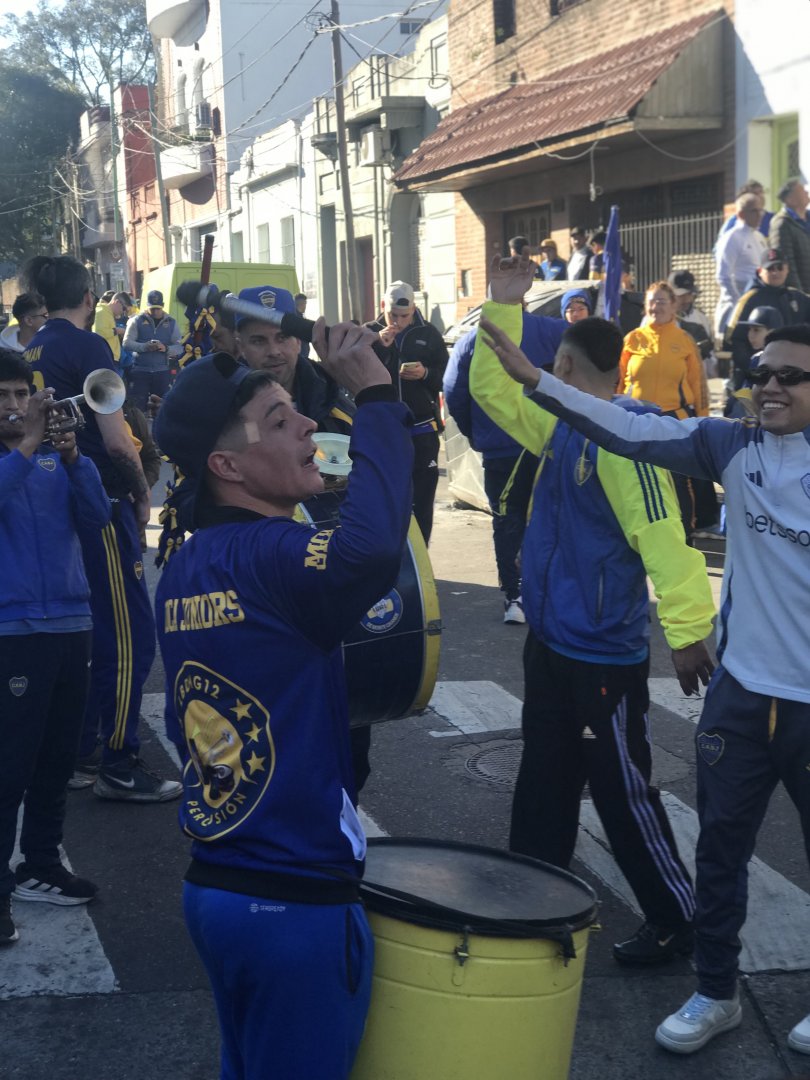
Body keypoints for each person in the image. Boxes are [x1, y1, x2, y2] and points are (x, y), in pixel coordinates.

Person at [478, 273, 810, 1059]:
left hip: (786, 699)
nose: (768, 386)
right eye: (759, 372)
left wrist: (686, 627)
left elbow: (661, 534)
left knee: (641, 800)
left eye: (789, 377)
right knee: (718, 851)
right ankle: (715, 991)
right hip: (739, 696)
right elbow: (626, 430)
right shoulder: (730, 444)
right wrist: (534, 372)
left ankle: (698, 947)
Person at [152, 320, 413, 1080]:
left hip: (218, 891)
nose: (305, 425)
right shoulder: (274, 556)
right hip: (292, 904)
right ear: (226, 465)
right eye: (277, 420)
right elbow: (370, 549)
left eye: (298, 409)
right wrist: (377, 399)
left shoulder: (186, 565)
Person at [469, 255, 715, 967]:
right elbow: (492, 390)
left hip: (603, 654)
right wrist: (503, 306)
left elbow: (665, 538)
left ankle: (676, 918)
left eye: (554, 367)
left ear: (568, 369)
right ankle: (531, 894)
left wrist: (688, 631)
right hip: (551, 641)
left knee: (621, 790)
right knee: (544, 774)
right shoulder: (561, 424)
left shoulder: (627, 438)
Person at [21, 255, 180, 803]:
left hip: (54, 499)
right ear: (89, 298)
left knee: (90, 632)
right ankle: (119, 762)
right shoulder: (89, 346)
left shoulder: (31, 347)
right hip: (98, 498)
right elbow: (116, 439)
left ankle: (83, 748)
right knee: (130, 636)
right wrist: (141, 494)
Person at [0, 349, 110, 944]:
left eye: (22, 394)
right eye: (3, 397)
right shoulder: (19, 457)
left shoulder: (50, 456)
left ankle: (40, 864)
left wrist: (73, 457)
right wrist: (26, 447)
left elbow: (96, 518)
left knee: (56, 760)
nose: (16, 405)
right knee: (8, 767)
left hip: (71, 622)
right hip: (12, 631)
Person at [443, 304, 565, 625]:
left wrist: (474, 432)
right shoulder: (555, 330)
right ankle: (552, 592)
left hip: (502, 446)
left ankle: (516, 596)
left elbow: (453, 391)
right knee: (553, 515)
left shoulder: (472, 340)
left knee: (508, 520)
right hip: (551, 441)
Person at [619, 280, 709, 536]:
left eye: (661, 301)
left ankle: (685, 537)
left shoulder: (685, 340)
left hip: (673, 419)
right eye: (651, 301)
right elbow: (618, 382)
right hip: (635, 418)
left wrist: (703, 421)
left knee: (677, 481)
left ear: (673, 306)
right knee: (637, 480)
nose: (655, 306)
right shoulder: (633, 339)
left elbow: (699, 385)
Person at [366, 280, 448, 544]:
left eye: (405, 315)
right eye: (393, 315)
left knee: (422, 501)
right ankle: (389, 556)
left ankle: (420, 557)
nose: (399, 322)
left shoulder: (429, 333)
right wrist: (379, 346)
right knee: (386, 499)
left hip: (422, 429)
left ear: (414, 309)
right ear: (383, 306)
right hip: (383, 431)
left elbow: (447, 378)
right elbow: (352, 375)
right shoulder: (368, 333)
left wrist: (426, 374)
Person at [725, 247, 810, 388]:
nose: (775, 272)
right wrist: (755, 370)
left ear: (787, 269)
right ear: (760, 271)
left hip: (794, 377)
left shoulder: (799, 298)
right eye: (770, 268)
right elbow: (734, 339)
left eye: (779, 267)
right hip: (757, 378)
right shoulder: (749, 299)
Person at [714, 193, 768, 335]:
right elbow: (723, 276)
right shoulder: (731, 238)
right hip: (734, 308)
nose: (760, 215)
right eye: (754, 211)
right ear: (741, 214)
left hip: (756, 305)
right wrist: (739, 302)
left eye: (761, 210)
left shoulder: (760, 237)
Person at [123, 289, 183, 413]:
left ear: (163, 305)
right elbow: (126, 343)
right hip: (140, 371)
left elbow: (180, 347)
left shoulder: (171, 322)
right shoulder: (136, 321)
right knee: (137, 409)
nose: (155, 312)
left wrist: (166, 348)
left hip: (162, 371)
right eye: (152, 309)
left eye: (158, 308)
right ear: (147, 306)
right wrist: (145, 347)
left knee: (162, 408)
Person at [768, 178, 810, 293]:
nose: (807, 192)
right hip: (803, 294)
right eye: (802, 190)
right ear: (790, 199)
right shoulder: (781, 224)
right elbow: (786, 264)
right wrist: (799, 296)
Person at [92, 291, 128, 365]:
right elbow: (98, 333)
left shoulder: (107, 313)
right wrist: (117, 331)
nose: (123, 312)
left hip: (109, 357)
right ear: (117, 302)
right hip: (106, 358)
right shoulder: (102, 312)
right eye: (124, 308)